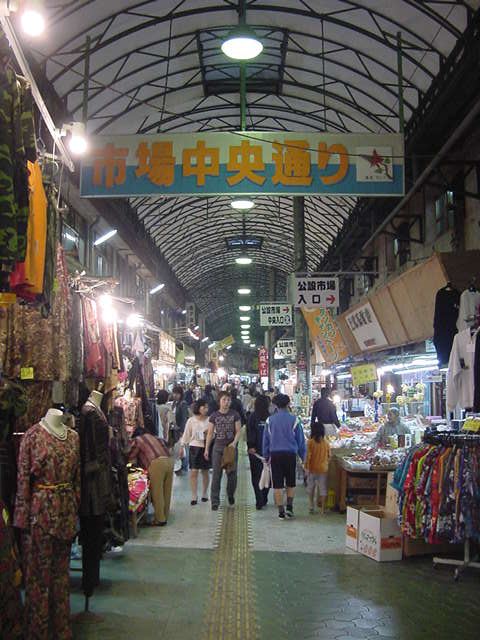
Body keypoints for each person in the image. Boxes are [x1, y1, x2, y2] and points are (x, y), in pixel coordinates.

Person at [263, 394, 306, 520]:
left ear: (275, 405)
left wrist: (266, 455)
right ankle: (290, 508)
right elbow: (300, 441)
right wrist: (303, 457)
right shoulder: (295, 420)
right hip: (290, 455)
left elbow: (266, 440)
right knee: (290, 482)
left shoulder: (269, 420)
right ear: (288, 404)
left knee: (277, 485)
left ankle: (281, 511)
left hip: (275, 455)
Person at [204, 391, 242, 511]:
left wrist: (234, 443)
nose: (226, 402)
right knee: (216, 475)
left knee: (232, 475)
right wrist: (206, 449)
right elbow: (210, 433)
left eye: (228, 400)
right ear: (219, 401)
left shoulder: (235, 414)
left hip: (230, 449)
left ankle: (230, 494)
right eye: (224, 400)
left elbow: (239, 431)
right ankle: (215, 501)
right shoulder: (214, 416)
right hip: (218, 448)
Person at [180, 399, 211, 505]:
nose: (206, 409)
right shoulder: (191, 420)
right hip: (194, 447)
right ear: (198, 408)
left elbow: (214, 434)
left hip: (206, 447)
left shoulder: (210, 420)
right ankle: (194, 495)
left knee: (205, 471)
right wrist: (182, 446)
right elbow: (186, 434)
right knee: (194, 472)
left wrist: (209, 434)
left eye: (207, 407)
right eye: (204, 407)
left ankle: (205, 493)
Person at [246, 394, 271, 509]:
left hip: (255, 451)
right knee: (267, 475)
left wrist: (250, 446)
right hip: (268, 452)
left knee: (256, 476)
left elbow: (249, 432)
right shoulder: (270, 417)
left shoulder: (252, 416)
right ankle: (263, 497)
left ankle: (259, 499)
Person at [305, 423, 331, 514]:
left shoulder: (310, 442)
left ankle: (311, 506)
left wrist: (306, 467)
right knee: (323, 488)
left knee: (311, 487)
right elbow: (329, 455)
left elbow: (308, 456)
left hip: (312, 468)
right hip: (323, 469)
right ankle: (323, 509)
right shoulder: (326, 442)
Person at [172, 385, 189, 474]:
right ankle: (182, 466)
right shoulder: (176, 403)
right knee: (181, 448)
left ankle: (184, 467)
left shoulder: (183, 404)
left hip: (182, 429)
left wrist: (183, 430)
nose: (175, 395)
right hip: (177, 429)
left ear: (181, 394)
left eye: (177, 393)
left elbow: (184, 418)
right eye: (174, 393)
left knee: (184, 448)